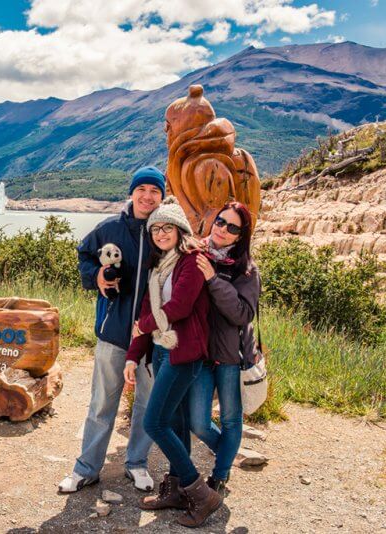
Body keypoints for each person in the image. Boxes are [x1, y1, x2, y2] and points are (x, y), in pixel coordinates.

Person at [58, 166, 165, 494]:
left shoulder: (165, 231)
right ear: (131, 192)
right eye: (142, 189)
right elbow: (84, 256)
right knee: (102, 402)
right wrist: (96, 277)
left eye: (154, 191)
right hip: (113, 332)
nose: (147, 196)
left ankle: (136, 463)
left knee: (147, 404)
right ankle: (87, 468)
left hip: (151, 338)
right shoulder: (108, 228)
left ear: (162, 196)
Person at [124, 196, 223, 528]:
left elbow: (179, 307)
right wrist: (133, 354)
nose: (161, 233)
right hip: (163, 350)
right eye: (155, 229)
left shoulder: (192, 260)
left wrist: (147, 326)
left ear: (180, 229)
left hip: (184, 352)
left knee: (155, 423)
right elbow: (146, 313)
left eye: (167, 227)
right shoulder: (160, 264)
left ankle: (202, 494)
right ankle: (178, 489)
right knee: (177, 424)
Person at [189, 201, 261, 494]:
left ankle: (220, 475)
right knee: (198, 422)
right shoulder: (195, 253)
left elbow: (243, 314)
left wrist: (213, 279)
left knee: (231, 418)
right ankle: (227, 454)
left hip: (231, 356)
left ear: (240, 235)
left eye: (232, 227)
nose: (223, 229)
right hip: (201, 354)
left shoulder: (246, 270)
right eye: (220, 221)